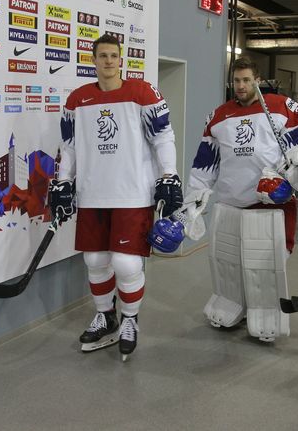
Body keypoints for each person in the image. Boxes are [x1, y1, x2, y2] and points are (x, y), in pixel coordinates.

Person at [48, 34, 182, 360]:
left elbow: (163, 136)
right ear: (93, 60)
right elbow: (69, 145)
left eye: (113, 56)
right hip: (93, 192)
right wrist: (63, 181)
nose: (108, 61)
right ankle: (105, 316)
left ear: (121, 60)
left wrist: (169, 174)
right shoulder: (77, 100)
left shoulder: (142, 92)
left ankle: (130, 320)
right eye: (102, 56)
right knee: (94, 260)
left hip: (132, 193)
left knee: (125, 262)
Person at [169, 56, 298, 342]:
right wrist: (192, 204)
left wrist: (289, 180)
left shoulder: (281, 108)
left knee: (265, 263)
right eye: (236, 80)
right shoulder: (218, 116)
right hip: (229, 202)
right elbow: (205, 164)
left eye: (247, 80)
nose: (241, 86)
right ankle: (232, 302)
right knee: (228, 261)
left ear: (257, 80)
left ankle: (266, 310)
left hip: (270, 202)